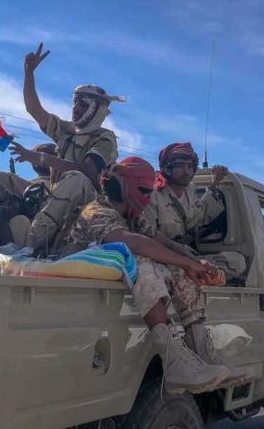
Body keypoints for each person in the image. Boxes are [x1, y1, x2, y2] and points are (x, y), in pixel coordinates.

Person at [62, 157, 247, 393]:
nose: (148, 198)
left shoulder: (133, 215)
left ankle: (204, 354)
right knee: (140, 261)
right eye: (144, 191)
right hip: (79, 270)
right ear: (123, 188)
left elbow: (160, 240)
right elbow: (134, 243)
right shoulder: (96, 211)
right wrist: (185, 261)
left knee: (178, 269)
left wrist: (192, 262)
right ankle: (173, 360)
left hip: (111, 270)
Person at [0, 43, 125, 252]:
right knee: (0, 181)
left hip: (87, 201)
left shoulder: (105, 138)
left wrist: (42, 158)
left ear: (97, 110)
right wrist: (29, 73)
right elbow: (34, 109)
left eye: (83, 105)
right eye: (75, 103)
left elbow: (88, 171)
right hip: (54, 193)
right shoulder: (68, 130)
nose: (76, 108)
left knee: (76, 178)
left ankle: (31, 240)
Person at [140, 143, 246, 275]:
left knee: (237, 261)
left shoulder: (190, 191)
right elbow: (148, 237)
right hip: (163, 259)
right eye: (180, 166)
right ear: (167, 169)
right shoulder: (154, 195)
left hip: (188, 256)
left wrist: (214, 184)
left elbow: (199, 216)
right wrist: (180, 255)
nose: (186, 171)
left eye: (190, 166)